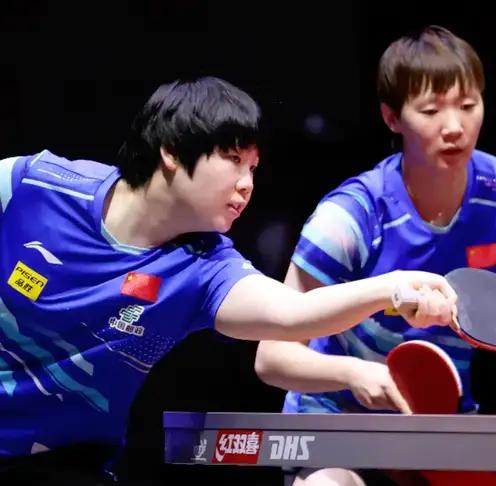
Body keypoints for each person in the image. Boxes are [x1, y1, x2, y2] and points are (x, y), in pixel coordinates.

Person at [0, 76, 458, 483]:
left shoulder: (205, 268)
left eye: (253, 168)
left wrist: (392, 287)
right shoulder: (34, 183)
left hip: (60, 463)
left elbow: (293, 312)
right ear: (171, 152)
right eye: (233, 159)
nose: (247, 184)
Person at [255, 25, 496, 486]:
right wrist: (354, 373)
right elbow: (272, 356)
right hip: (335, 422)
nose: (455, 126)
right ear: (392, 117)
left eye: (468, 105)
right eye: (430, 110)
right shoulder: (349, 216)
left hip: (437, 425)